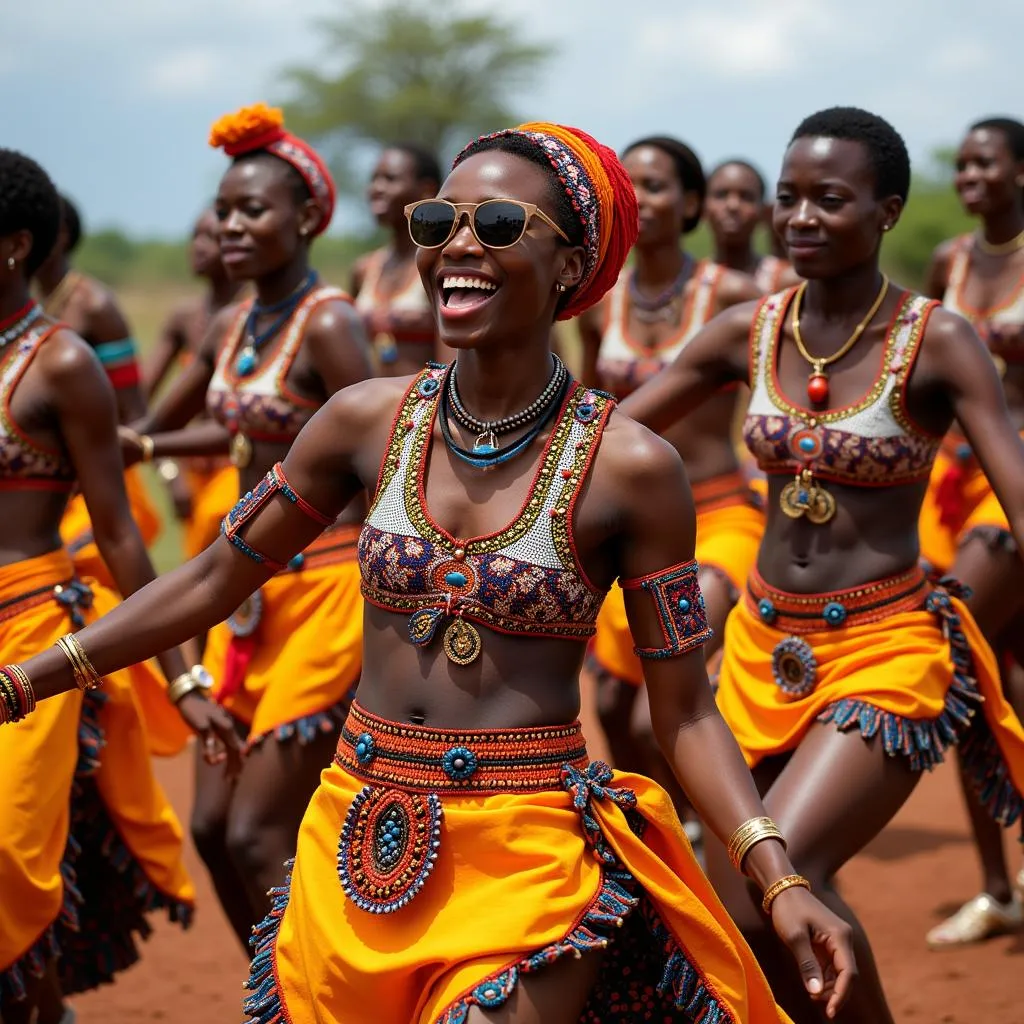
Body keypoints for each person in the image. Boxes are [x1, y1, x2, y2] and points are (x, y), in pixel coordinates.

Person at [5, 120, 858, 1024]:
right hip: (355, 842)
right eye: (436, 222)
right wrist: (25, 680)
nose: (457, 244)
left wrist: (777, 873)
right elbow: (213, 578)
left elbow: (682, 708)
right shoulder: (360, 423)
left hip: (524, 857)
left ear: (570, 268)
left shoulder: (632, 470)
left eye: (496, 225)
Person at [620, 106, 1024, 1024]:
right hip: (760, 647)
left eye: (829, 200)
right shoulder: (745, 331)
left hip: (885, 650)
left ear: (886, 212)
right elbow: (611, 436)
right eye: (788, 197)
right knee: (749, 897)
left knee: (784, 871)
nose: (799, 216)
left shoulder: (937, 340)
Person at [117, 103, 373, 949]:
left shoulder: (331, 321)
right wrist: (141, 441)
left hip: (327, 589)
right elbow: (197, 420)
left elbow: (381, 450)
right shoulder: (232, 324)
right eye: (223, 210)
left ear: (304, 219)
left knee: (258, 833)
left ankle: (324, 994)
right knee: (212, 829)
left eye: (251, 210)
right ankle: (277, 990)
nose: (230, 225)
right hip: (245, 595)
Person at [0, 148, 239, 1024]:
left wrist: (182, 675)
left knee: (7, 851)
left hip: (36, 633)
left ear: (16, 245)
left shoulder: (62, 365)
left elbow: (121, 538)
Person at [576, 136, 764, 814]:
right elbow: (595, 405)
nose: (642, 199)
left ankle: (721, 837)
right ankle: (670, 833)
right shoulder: (602, 298)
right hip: (631, 526)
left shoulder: (734, 296)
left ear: (689, 203)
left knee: (654, 708)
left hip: (719, 517)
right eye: (631, 185)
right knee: (607, 702)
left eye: (656, 186)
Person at [918, 116, 1024, 948]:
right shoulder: (950, 261)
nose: (972, 176)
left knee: (957, 657)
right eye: (966, 164)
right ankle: (998, 888)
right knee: (996, 678)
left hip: (1015, 488)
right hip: (949, 484)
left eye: (987, 163)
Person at [34, 196, 163, 591]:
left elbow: (135, 407)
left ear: (60, 236)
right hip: (54, 482)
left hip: (104, 477)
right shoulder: (35, 305)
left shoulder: (93, 305)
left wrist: (167, 470)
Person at [142, 208, 245, 564]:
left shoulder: (256, 316)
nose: (198, 247)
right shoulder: (184, 319)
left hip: (240, 468)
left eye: (211, 238)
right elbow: (143, 406)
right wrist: (170, 474)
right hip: (191, 471)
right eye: (195, 236)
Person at [351, 143, 443, 373]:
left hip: (424, 404)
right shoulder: (364, 269)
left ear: (426, 190)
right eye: (374, 179)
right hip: (371, 406)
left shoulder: (440, 264)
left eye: (390, 179)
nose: (376, 188)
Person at [705, 159, 801, 293]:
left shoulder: (790, 283)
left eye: (746, 197)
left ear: (764, 211)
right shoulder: (689, 284)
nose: (733, 205)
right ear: (703, 209)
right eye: (721, 195)